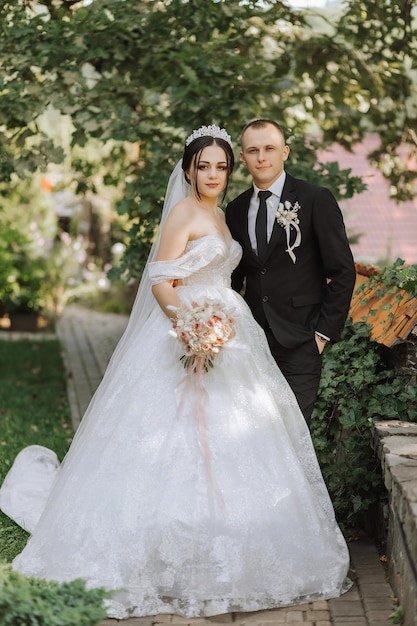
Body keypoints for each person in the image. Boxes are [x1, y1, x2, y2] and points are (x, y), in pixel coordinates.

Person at [0, 124, 351, 620]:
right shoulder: (187, 211)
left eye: (221, 166)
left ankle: (225, 530)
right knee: (184, 432)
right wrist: (190, 326)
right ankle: (176, 537)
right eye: (203, 165)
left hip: (234, 332)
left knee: (236, 436)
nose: (212, 173)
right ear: (188, 169)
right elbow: (161, 279)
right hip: (191, 331)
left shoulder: (226, 214)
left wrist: (235, 326)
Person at [226, 119, 356, 425]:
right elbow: (233, 279)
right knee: (255, 434)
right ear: (243, 157)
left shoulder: (314, 199)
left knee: (294, 434)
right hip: (252, 342)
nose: (262, 157)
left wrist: (322, 335)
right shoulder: (235, 209)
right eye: (253, 150)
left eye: (269, 148)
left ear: (285, 152)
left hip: (300, 342)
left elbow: (342, 272)